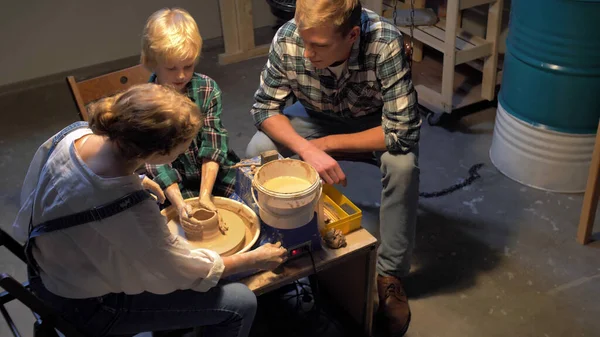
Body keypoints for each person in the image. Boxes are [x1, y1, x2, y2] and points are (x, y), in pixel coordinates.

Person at [13, 84, 287, 337]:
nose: (186, 151)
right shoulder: (130, 210)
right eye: (183, 147)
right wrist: (254, 259)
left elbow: (70, 188)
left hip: (46, 263)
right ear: (158, 154)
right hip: (85, 304)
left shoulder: (76, 135)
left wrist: (138, 179)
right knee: (240, 302)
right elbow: (186, 271)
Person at [245, 1, 420, 336]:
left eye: (320, 46)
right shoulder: (289, 37)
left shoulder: (385, 42)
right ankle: (277, 244)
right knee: (259, 151)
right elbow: (264, 108)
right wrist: (307, 147)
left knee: (404, 166)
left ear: (352, 35)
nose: (308, 52)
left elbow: (401, 131)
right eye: (304, 41)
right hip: (315, 117)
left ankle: (390, 275)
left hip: (371, 123)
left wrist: (324, 147)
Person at [141, 7, 240, 231]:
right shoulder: (146, 103)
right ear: (152, 62)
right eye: (171, 68)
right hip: (172, 182)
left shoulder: (207, 88)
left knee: (250, 200)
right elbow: (157, 164)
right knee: (157, 227)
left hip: (210, 171)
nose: (181, 75)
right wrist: (180, 204)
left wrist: (205, 195)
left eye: (188, 66)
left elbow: (213, 144)